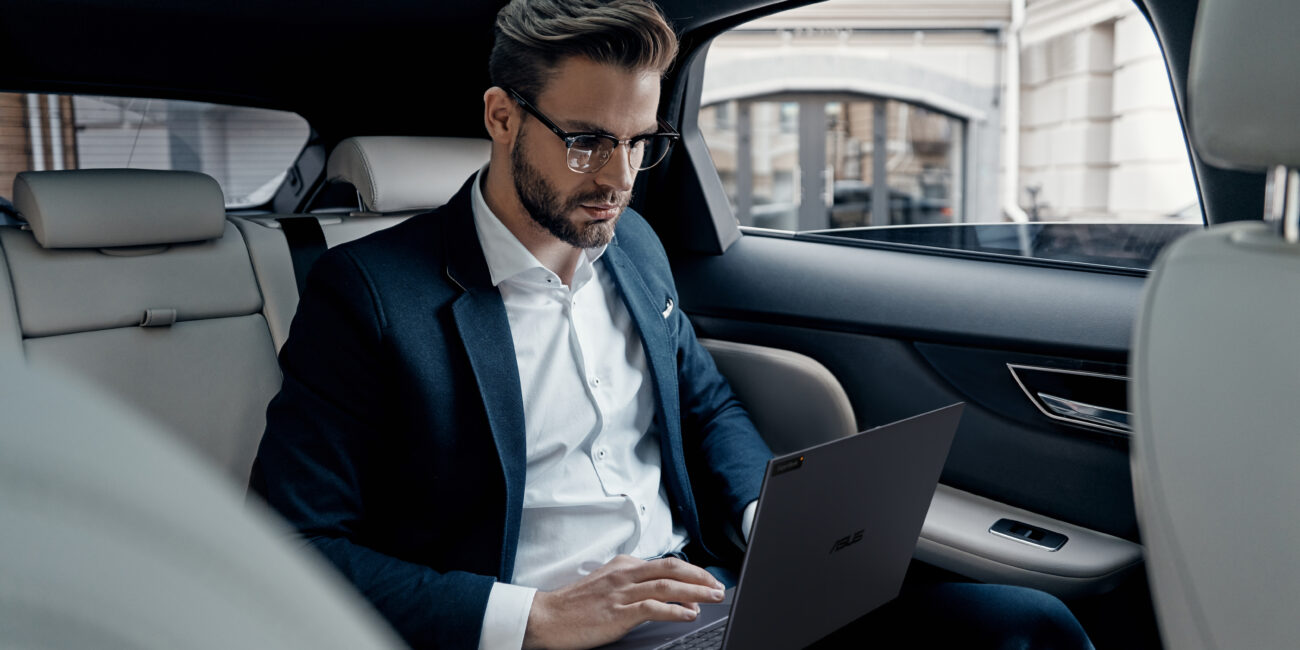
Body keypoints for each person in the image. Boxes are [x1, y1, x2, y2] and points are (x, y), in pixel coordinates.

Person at [251, 1, 1093, 649]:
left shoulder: (637, 247)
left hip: (720, 602)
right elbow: (293, 541)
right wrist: (537, 616)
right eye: (586, 142)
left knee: (1027, 623)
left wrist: (769, 521)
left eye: (637, 143)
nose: (618, 179)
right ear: (502, 118)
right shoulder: (366, 292)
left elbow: (707, 408)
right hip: (555, 633)